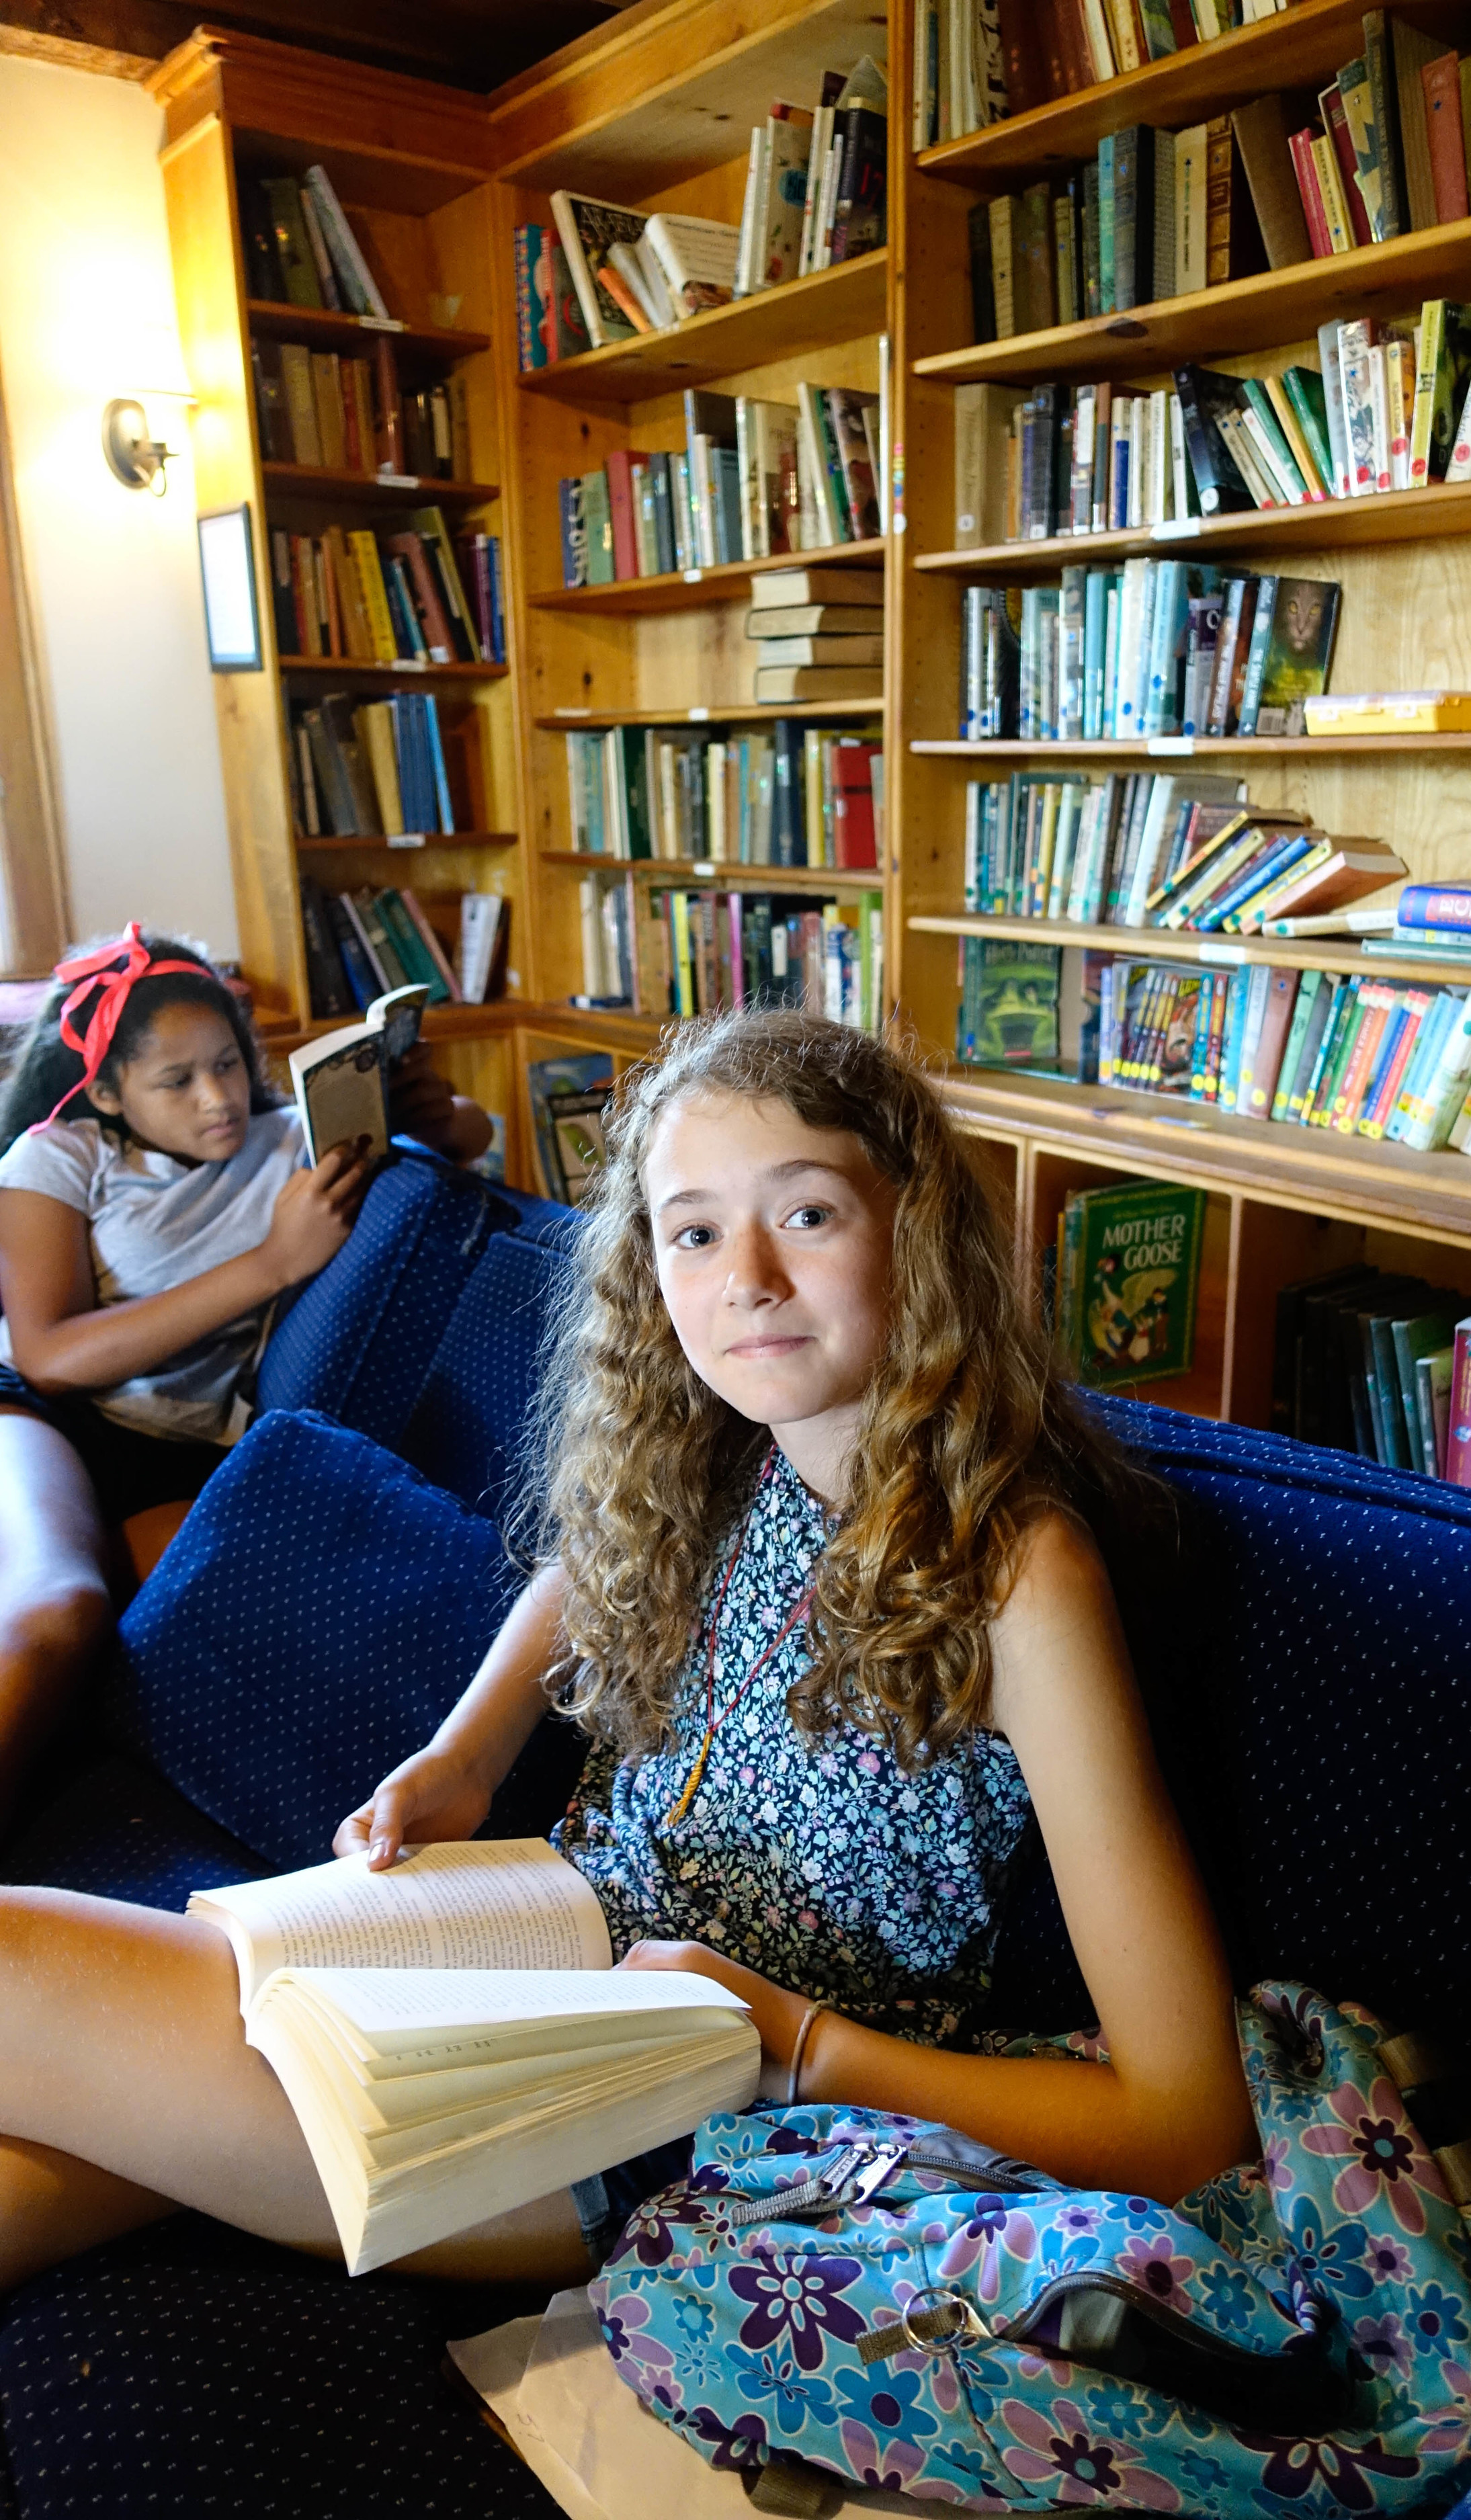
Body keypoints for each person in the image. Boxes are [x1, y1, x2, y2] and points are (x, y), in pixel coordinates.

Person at [0, 1007, 1253, 2292]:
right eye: (694, 1232)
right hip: (553, 1922)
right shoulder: (733, 1453)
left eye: (806, 1213)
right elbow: (582, 1569)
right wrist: (466, 1755)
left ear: (916, 1229)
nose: (747, 1276)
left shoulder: (1021, 1572)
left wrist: (792, 2041)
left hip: (697, 2111)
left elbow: (1189, 2118)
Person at [0, 923, 493, 1823]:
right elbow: (49, 1354)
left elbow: (472, 1133)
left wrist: (425, 1109)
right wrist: (271, 1263)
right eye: (177, 1080)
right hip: (44, 1418)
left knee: (221, 1617)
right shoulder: (62, 1155)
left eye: (228, 1064)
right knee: (60, 1610)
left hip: (184, 1451)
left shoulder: (291, 1141)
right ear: (107, 1090)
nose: (218, 1097)